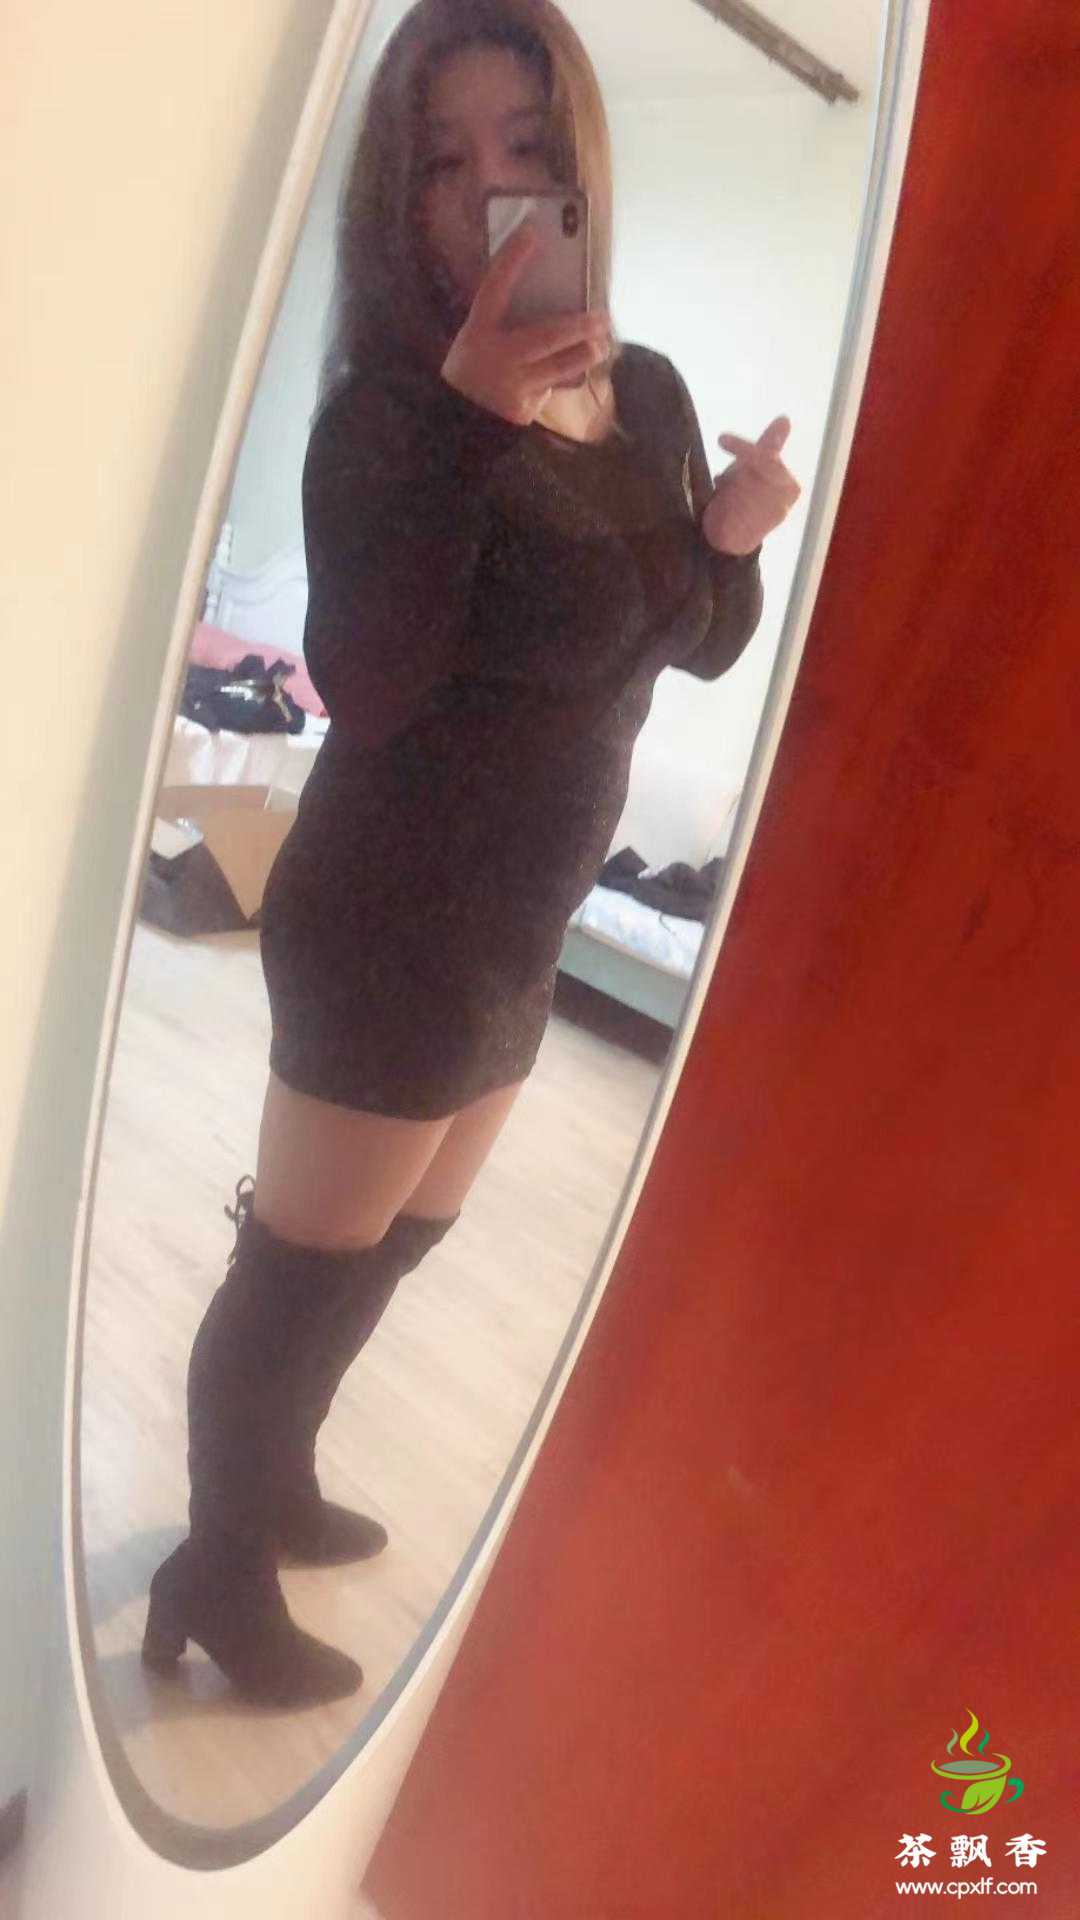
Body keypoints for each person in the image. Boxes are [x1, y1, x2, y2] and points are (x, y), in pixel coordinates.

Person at [142, 0, 800, 1708]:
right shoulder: (385, 417)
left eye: (525, 146)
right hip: (389, 924)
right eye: (444, 162)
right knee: (299, 1268)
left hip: (521, 927)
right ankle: (215, 1567)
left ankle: (276, 1481)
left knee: (400, 1239)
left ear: (580, 163)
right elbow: (361, 684)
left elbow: (690, 640)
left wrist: (729, 542)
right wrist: (464, 424)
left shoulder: (647, 395)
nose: (489, 190)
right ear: (401, 197)